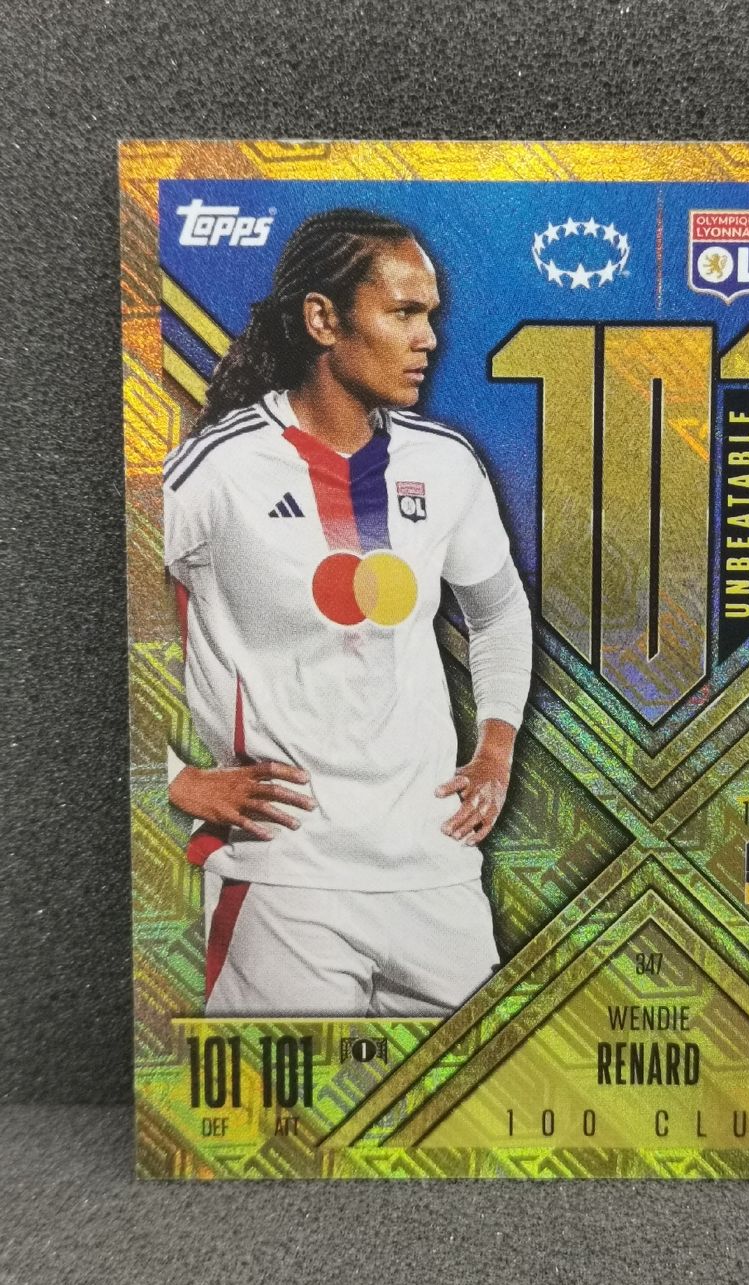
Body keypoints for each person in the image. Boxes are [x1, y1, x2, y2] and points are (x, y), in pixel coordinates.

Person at [163, 208, 532, 1019]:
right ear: (323, 320)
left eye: (429, 314)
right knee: (274, 1105)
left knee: (478, 1099)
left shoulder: (445, 463)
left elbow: (499, 611)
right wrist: (177, 780)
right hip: (286, 882)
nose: (428, 338)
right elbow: (99, 631)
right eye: (403, 312)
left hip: (435, 873)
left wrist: (496, 750)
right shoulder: (216, 469)